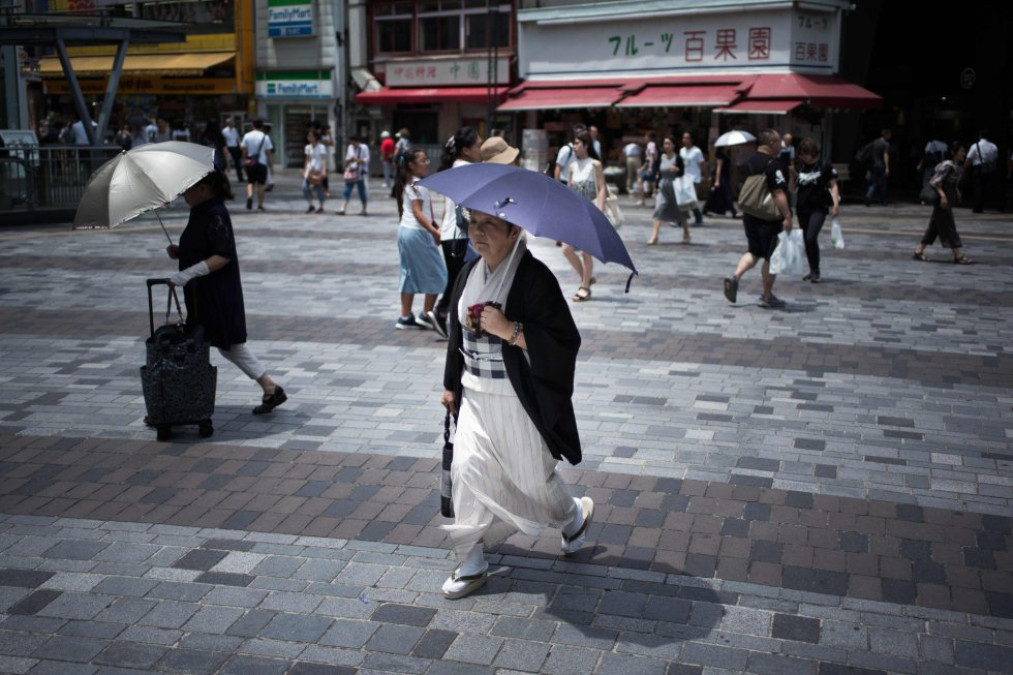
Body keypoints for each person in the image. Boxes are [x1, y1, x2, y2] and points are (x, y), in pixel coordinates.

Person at [438, 208, 593, 600]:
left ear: (514, 230)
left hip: (517, 400)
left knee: (532, 482)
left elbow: (564, 342)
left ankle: (573, 515)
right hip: (475, 396)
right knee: (467, 468)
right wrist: (450, 385)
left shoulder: (535, 277)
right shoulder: (468, 273)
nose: (478, 232)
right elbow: (455, 332)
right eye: (472, 223)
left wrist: (510, 330)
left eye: (489, 225)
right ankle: (471, 563)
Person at [165, 170, 287, 416]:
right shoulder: (202, 211)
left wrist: (187, 273)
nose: (183, 194)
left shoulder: (215, 213)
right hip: (205, 293)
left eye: (187, 188)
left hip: (216, 294)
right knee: (222, 344)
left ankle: (186, 401)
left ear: (203, 189)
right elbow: (206, 247)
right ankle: (270, 387)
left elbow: (223, 254)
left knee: (216, 342)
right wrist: (183, 252)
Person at [723, 128, 793, 309]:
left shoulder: (748, 163)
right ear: (771, 144)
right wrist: (787, 215)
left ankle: (735, 276)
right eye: (778, 142)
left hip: (749, 215)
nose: (780, 146)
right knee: (771, 256)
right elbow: (778, 193)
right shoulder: (773, 164)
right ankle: (767, 295)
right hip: (769, 218)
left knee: (753, 251)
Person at [428, 127, 483, 338]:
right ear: (466, 150)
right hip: (460, 236)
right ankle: (445, 314)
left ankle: (446, 315)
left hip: (449, 234)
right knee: (468, 281)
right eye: (477, 145)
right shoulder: (469, 170)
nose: (480, 149)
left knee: (458, 280)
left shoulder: (455, 168)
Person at [394, 149, 447, 330]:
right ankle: (426, 314)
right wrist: (434, 231)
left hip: (405, 231)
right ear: (411, 165)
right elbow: (418, 213)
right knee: (438, 273)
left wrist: (434, 226)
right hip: (418, 233)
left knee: (408, 273)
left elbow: (420, 212)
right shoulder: (419, 185)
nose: (427, 163)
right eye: (423, 160)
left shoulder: (408, 183)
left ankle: (405, 316)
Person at [563, 128, 606, 303]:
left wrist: (600, 211)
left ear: (586, 145)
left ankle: (585, 287)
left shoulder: (595, 164)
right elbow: (570, 189)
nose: (574, 146)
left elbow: (602, 188)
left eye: (577, 143)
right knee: (566, 249)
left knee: (587, 252)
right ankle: (586, 278)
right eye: (574, 143)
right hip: (575, 212)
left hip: (590, 210)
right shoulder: (572, 166)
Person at [913, 143, 973, 265]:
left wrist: (956, 190)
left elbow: (951, 181)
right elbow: (935, 182)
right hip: (942, 200)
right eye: (961, 151)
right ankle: (957, 255)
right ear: (954, 153)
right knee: (949, 226)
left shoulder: (956, 166)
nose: (963, 154)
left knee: (934, 227)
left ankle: (919, 250)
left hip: (947, 199)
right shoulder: (947, 165)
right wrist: (943, 196)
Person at [794, 138, 840, 283]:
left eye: (804, 154)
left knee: (811, 237)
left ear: (812, 153)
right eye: (801, 154)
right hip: (802, 208)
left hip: (819, 207)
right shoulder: (799, 166)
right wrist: (791, 177)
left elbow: (834, 185)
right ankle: (813, 270)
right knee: (806, 240)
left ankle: (816, 271)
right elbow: (792, 189)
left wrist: (835, 204)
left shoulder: (824, 166)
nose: (802, 157)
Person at [647, 135, 690, 246]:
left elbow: (682, 172)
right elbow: (659, 174)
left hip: (675, 186)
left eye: (669, 143)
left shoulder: (678, 158)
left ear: (673, 145)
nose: (666, 146)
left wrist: (677, 169)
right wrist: (656, 187)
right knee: (659, 209)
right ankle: (654, 236)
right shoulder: (661, 157)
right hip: (663, 186)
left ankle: (686, 233)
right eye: (665, 143)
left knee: (681, 210)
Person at [240, 118, 273, 212]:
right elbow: (269, 152)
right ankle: (260, 205)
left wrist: (245, 159)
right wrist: (271, 165)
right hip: (262, 163)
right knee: (261, 184)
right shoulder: (265, 137)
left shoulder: (247, 135)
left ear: (253, 125)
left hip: (250, 163)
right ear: (262, 126)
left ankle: (250, 196)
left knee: (250, 182)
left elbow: (244, 150)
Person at [965, 130, 999, 213]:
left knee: (978, 187)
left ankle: (977, 206)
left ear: (980, 136)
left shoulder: (975, 146)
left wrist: (965, 168)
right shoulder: (993, 146)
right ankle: (983, 205)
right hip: (989, 168)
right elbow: (995, 159)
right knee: (985, 187)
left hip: (978, 168)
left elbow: (969, 158)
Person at [679, 131, 707, 225]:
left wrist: (705, 176)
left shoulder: (697, 151)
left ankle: (684, 219)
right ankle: (689, 218)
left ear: (691, 140)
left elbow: (702, 164)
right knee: (685, 200)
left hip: (694, 178)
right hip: (684, 178)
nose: (685, 140)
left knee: (690, 199)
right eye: (684, 138)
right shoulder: (682, 150)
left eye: (687, 138)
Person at [336, 136, 370, 216]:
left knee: (362, 191)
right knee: (347, 190)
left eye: (354, 143)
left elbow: (367, 160)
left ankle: (364, 209)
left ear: (358, 141)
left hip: (360, 173)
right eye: (352, 143)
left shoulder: (364, 147)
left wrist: (357, 160)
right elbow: (347, 158)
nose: (353, 145)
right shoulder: (350, 147)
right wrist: (350, 160)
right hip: (351, 171)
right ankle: (342, 208)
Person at [704, 147, 738, 218]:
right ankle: (733, 211)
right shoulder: (720, 156)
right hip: (721, 178)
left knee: (714, 195)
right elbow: (718, 169)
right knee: (727, 194)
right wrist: (717, 181)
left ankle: (705, 209)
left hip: (725, 177)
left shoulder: (727, 155)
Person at [301, 129, 328, 214]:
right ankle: (311, 205)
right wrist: (305, 170)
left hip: (318, 170)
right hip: (310, 170)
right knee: (304, 187)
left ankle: (321, 206)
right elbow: (308, 159)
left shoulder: (321, 147)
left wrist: (324, 170)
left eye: (311, 136)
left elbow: (323, 159)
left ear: (315, 137)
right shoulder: (308, 147)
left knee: (319, 188)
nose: (309, 138)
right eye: (308, 136)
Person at [865, 129, 891, 206]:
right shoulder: (886, 144)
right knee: (883, 184)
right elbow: (885, 155)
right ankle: (883, 200)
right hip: (881, 165)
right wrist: (887, 167)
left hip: (873, 165)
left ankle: (868, 195)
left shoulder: (874, 142)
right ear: (886, 135)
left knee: (873, 183)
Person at [639, 130, 659, 205]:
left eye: (646, 136)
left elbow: (651, 156)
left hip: (651, 164)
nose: (645, 137)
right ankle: (646, 199)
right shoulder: (650, 144)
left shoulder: (651, 144)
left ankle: (643, 199)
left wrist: (650, 167)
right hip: (649, 163)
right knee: (652, 182)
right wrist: (644, 166)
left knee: (642, 180)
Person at [223, 118, 243, 183]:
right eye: (230, 123)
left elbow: (238, 138)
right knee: (226, 162)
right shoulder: (224, 131)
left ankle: (240, 177)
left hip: (234, 147)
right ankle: (224, 178)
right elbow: (224, 140)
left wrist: (240, 146)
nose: (232, 124)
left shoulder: (235, 130)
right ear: (227, 123)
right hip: (228, 147)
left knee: (237, 163)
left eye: (232, 122)